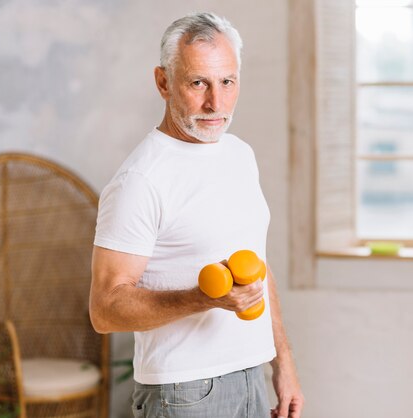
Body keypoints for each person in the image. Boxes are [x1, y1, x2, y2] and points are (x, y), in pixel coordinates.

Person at [89, 12, 304, 418]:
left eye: (227, 81)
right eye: (198, 83)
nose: (216, 103)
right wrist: (200, 298)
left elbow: (257, 263)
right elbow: (104, 309)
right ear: (163, 82)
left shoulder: (239, 154)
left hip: (251, 376)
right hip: (183, 392)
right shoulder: (140, 180)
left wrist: (283, 363)